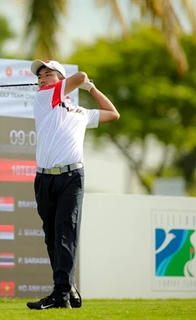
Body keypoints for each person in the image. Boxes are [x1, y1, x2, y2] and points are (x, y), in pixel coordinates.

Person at [26, 59, 120, 310]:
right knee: (52, 238)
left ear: (60, 78)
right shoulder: (43, 98)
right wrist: (82, 82)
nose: (42, 79)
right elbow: (79, 78)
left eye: (48, 74)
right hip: (44, 178)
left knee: (66, 232)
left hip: (72, 178)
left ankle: (59, 295)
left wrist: (91, 88)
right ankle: (68, 285)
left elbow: (113, 113)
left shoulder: (80, 112)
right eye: (39, 76)